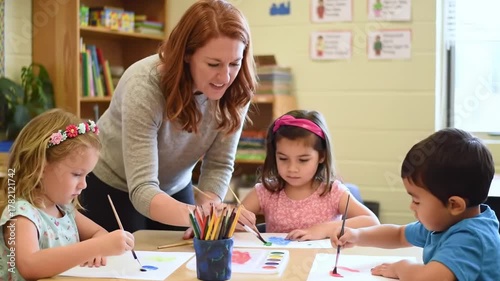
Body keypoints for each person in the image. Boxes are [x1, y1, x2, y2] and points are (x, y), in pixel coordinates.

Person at [82, 0, 257, 235]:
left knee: (185, 260)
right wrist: (202, 216)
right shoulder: (144, 85)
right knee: (126, 264)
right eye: (213, 64)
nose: (225, 76)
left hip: (175, 185)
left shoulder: (237, 88)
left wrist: (210, 211)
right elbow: (143, 189)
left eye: (234, 63)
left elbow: (219, 164)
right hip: (112, 184)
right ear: (186, 55)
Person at [331, 128, 500, 281]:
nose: (412, 206)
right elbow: (399, 234)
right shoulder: (445, 222)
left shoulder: (471, 238)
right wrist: (358, 235)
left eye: (417, 201)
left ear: (454, 205)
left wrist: (402, 268)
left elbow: (430, 279)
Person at [0, 109, 135, 280]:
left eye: (87, 175)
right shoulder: (22, 215)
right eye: (77, 174)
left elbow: (99, 233)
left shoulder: (64, 210)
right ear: (40, 167)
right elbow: (29, 265)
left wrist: (101, 245)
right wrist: (96, 247)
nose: (84, 184)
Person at [241, 110, 379, 240]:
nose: (292, 168)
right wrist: (235, 221)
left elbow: (372, 222)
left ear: (321, 156)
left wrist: (324, 229)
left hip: (323, 262)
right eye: (283, 158)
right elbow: (230, 225)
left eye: (303, 160)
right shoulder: (266, 191)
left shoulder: (333, 192)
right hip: (278, 263)